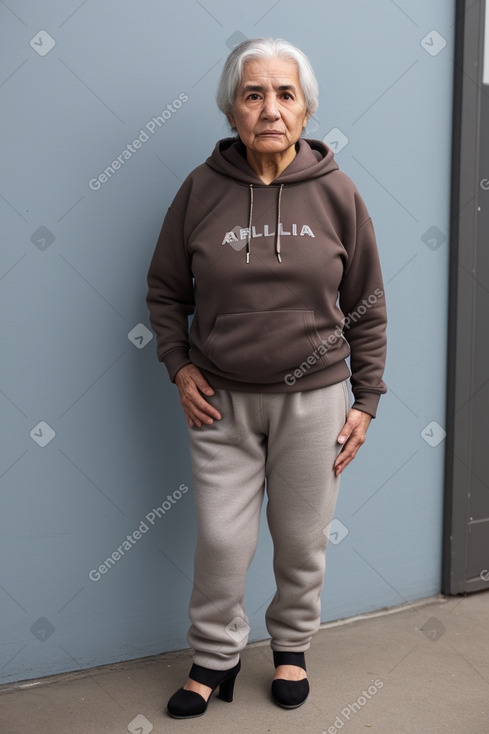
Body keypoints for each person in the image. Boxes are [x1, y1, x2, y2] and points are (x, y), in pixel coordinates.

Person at [146, 37, 387, 719]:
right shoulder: (199, 191)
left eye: (284, 94)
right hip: (219, 402)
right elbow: (166, 292)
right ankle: (213, 658)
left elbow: (367, 303)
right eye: (253, 94)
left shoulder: (338, 193)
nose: (269, 108)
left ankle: (290, 648)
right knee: (223, 540)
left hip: (315, 401)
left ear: (306, 109)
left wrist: (365, 399)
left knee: (302, 535)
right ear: (231, 108)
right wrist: (179, 364)